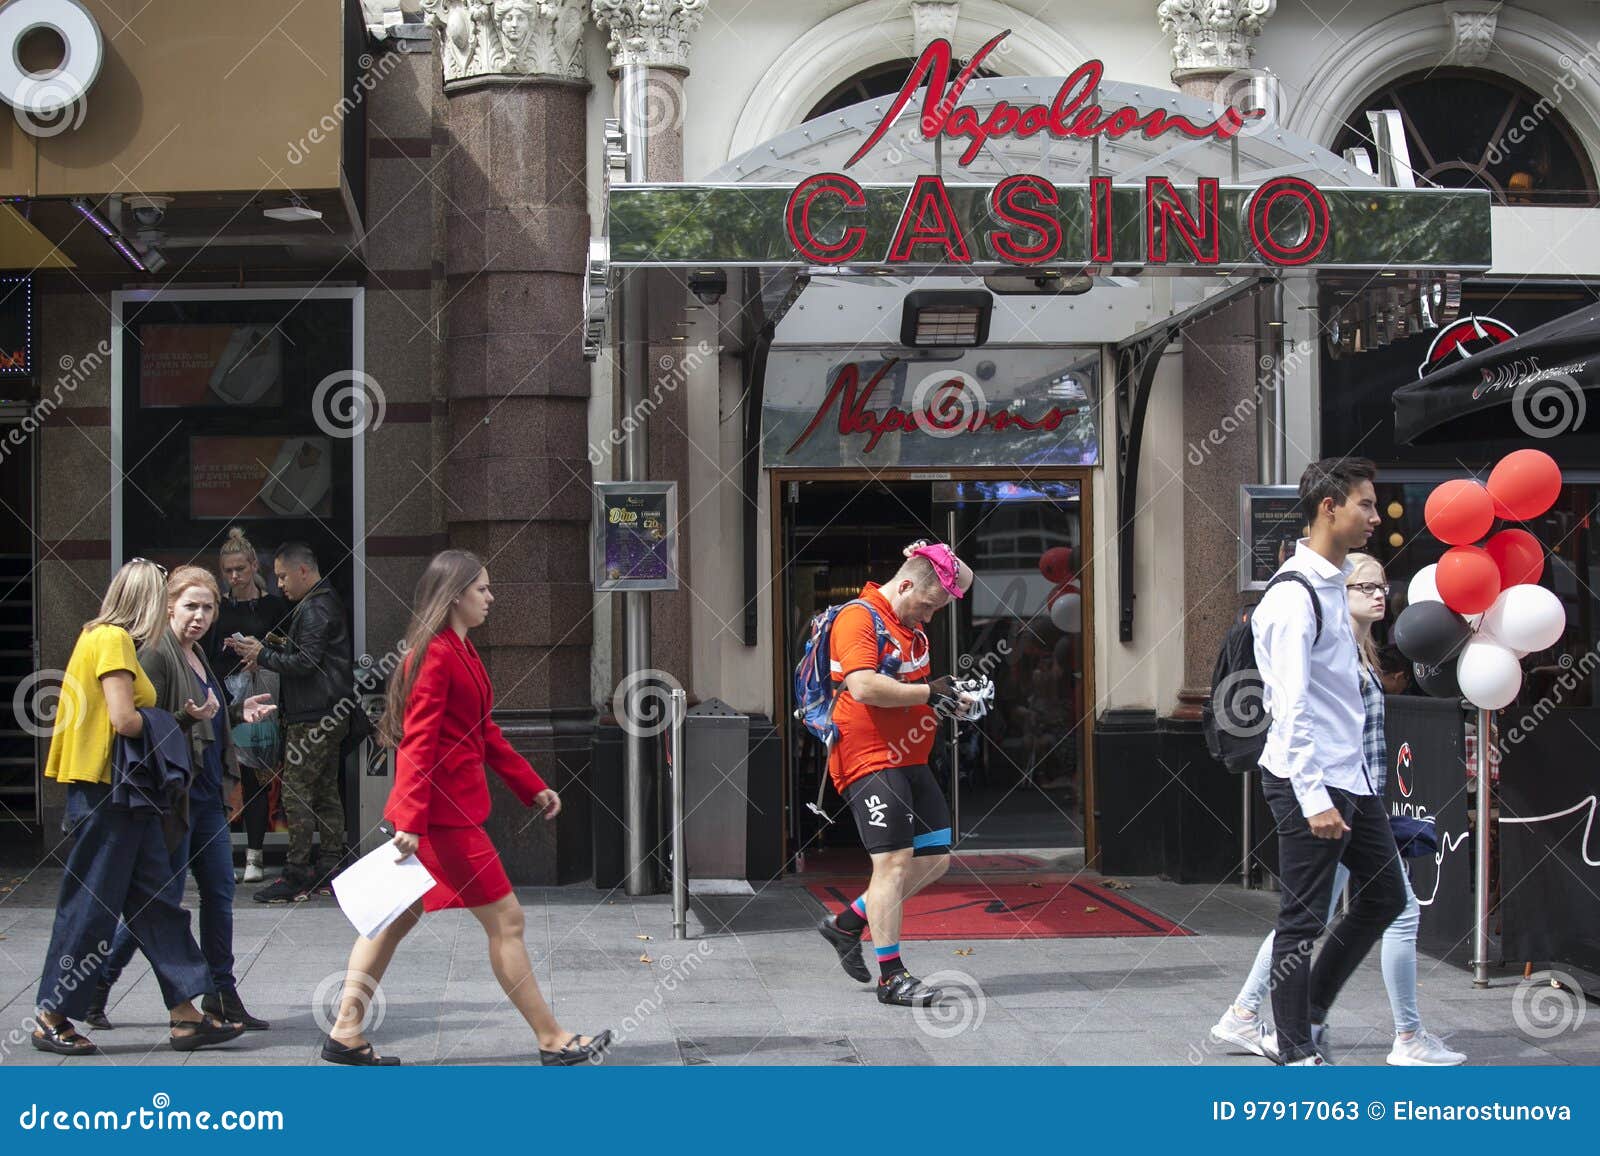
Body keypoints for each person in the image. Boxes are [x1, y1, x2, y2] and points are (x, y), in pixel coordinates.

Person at [320, 550, 613, 1066]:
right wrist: (408, 821)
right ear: (455, 594)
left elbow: (483, 733)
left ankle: (345, 1031)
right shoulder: (435, 654)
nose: (490, 597)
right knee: (507, 921)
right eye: (482, 589)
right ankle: (551, 1038)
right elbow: (419, 742)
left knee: (390, 921)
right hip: (442, 820)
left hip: (441, 815)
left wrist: (530, 785)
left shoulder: (459, 650)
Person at [1211, 554, 1466, 1066]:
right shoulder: (1328, 647)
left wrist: (1373, 808)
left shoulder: (1359, 650)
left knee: (1340, 912)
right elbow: (1296, 716)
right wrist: (1321, 799)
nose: (1379, 595)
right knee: (1325, 917)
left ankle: (1259, 1016)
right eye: (1365, 586)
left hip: (1355, 795)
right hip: (1327, 796)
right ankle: (1387, 1036)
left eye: (1382, 585)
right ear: (1338, 594)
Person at [30, 560, 245, 1056]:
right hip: (107, 794)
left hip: (126, 795)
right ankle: (50, 1015)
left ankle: (187, 1016)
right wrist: (174, 721)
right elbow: (125, 720)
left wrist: (176, 719)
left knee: (158, 907)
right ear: (146, 601)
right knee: (90, 907)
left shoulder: (107, 638)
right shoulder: (112, 640)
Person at [1246, 458, 1409, 1066]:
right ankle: (1291, 1048)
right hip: (1308, 778)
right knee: (1302, 918)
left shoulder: (1331, 585)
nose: (1375, 516)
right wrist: (1313, 798)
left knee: (1385, 896)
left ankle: (1307, 1013)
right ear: (1328, 508)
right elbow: (1288, 708)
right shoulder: (1293, 597)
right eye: (1365, 504)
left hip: (1351, 777)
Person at [87, 566, 277, 1033]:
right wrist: (192, 719)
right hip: (175, 797)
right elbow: (144, 723)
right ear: (169, 605)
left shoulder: (197, 655)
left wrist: (236, 710)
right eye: (190, 606)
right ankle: (95, 987)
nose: (200, 616)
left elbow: (202, 711)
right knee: (160, 901)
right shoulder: (154, 653)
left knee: (220, 892)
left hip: (207, 793)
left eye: (208, 607)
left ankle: (222, 993)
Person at [815, 540, 977, 1007]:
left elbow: (912, 690)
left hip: (909, 758)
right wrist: (930, 693)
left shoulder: (913, 630)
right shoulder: (859, 617)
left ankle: (846, 923)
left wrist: (950, 698)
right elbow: (863, 685)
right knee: (892, 864)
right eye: (926, 606)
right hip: (868, 759)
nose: (928, 618)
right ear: (905, 583)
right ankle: (892, 978)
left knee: (936, 857)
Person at [229, 542, 355, 904]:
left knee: (297, 790)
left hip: (313, 715)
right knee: (326, 791)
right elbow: (306, 653)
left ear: (304, 571)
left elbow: (306, 663)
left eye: (283, 576)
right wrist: (269, 647)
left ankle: (297, 872)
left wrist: (263, 655)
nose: (280, 584)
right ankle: (331, 866)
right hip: (328, 712)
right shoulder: (323, 601)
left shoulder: (314, 607)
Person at [207, 527, 290, 883]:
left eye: (240, 569)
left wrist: (263, 654)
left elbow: (290, 649)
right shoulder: (218, 609)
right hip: (226, 698)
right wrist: (230, 650)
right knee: (224, 777)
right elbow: (205, 655)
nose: (234, 577)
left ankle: (254, 856)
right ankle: (215, 855)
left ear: (255, 565)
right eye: (227, 571)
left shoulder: (275, 606)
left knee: (257, 777)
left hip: (264, 697)